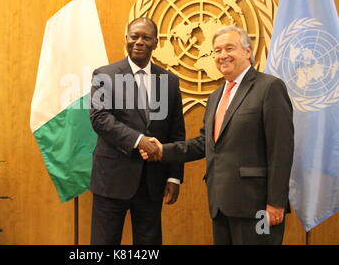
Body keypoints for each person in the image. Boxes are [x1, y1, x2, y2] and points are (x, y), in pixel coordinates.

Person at [140, 26, 294, 245]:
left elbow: (282, 149)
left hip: (257, 206)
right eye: (217, 50)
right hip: (220, 204)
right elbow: (206, 143)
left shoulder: (269, 88)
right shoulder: (215, 96)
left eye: (229, 48)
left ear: (247, 52)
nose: (222, 55)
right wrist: (163, 150)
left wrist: (276, 202)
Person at [89, 17, 185, 245]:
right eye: (134, 36)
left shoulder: (169, 81)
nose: (139, 42)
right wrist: (139, 140)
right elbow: (99, 118)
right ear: (126, 39)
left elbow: (176, 132)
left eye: (146, 37)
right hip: (111, 180)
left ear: (156, 42)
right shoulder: (105, 75)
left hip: (152, 182)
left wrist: (174, 176)